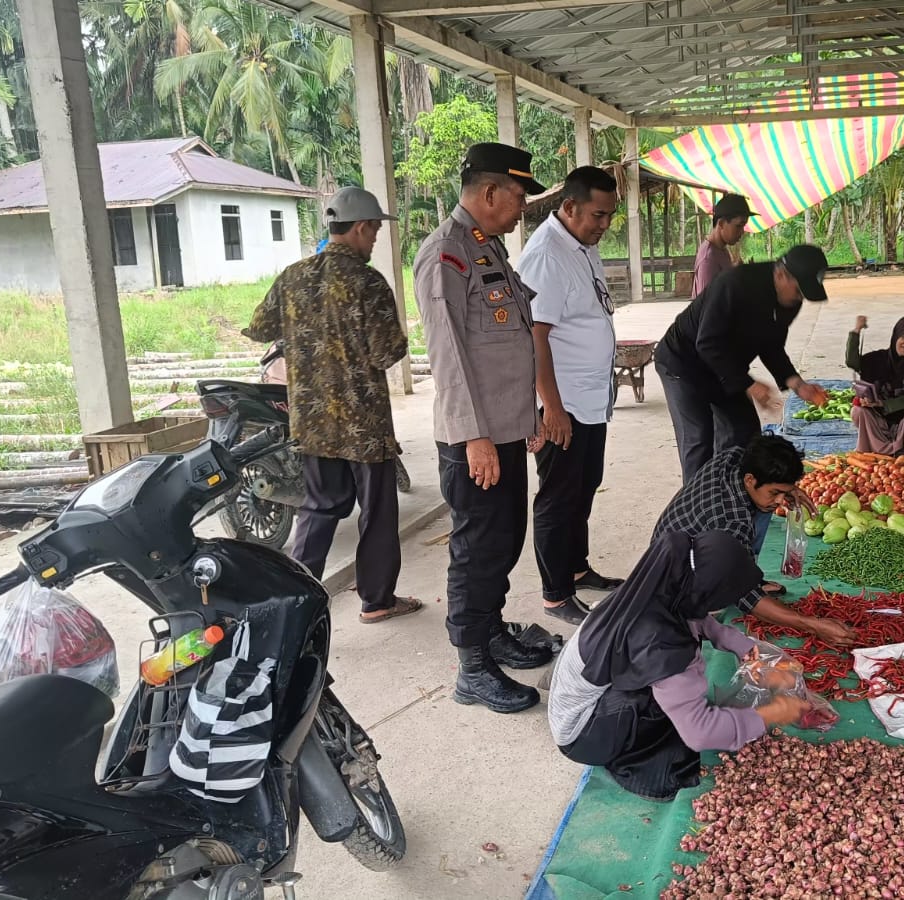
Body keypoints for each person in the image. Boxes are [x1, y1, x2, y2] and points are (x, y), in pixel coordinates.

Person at [413, 142, 553, 715]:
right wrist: (473, 436)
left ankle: (492, 632)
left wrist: (529, 416)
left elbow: (507, 342)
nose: (523, 206)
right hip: (475, 438)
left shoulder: (486, 247)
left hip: (502, 430)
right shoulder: (446, 252)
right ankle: (472, 665)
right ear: (490, 192)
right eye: (519, 195)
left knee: (503, 538)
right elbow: (448, 354)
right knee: (476, 548)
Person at [244, 186, 419, 624]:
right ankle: (377, 601)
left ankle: (291, 604)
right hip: (364, 427)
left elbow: (260, 327)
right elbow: (386, 353)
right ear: (359, 228)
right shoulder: (367, 282)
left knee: (318, 509)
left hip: (313, 423)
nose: (375, 238)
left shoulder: (293, 276)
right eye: (375, 230)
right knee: (376, 513)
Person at [548, 530, 810, 802]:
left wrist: (743, 647)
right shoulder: (660, 643)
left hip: (576, 694)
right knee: (670, 725)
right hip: (581, 733)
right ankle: (637, 764)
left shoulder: (656, 587)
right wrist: (772, 714)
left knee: (675, 690)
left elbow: (698, 619)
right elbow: (700, 733)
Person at [517, 166, 625, 626]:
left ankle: (577, 568)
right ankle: (555, 593)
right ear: (569, 207)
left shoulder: (581, 244)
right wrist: (552, 409)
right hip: (563, 403)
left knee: (583, 487)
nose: (604, 225)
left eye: (609, 217)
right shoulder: (546, 254)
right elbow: (535, 335)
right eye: (597, 216)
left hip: (589, 397)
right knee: (558, 498)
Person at [653, 435, 856, 646]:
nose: (780, 501)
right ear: (750, 480)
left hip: (671, 540)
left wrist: (788, 489)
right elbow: (746, 596)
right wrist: (812, 624)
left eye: (783, 492)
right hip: (674, 576)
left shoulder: (734, 458)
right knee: (734, 578)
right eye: (775, 492)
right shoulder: (731, 521)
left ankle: (748, 574)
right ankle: (706, 603)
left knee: (760, 509)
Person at [656, 244, 832, 479]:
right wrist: (748, 384)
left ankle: (732, 490)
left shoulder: (790, 301)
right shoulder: (734, 284)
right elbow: (707, 343)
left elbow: (772, 346)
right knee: (699, 439)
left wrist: (798, 384)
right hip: (684, 363)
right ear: (780, 274)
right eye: (799, 291)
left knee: (744, 432)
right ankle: (697, 504)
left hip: (726, 365)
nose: (800, 299)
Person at [846, 315, 904, 456]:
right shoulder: (877, 359)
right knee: (857, 411)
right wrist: (856, 331)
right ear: (896, 335)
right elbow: (852, 362)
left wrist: (884, 404)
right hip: (878, 424)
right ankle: (874, 447)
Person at [692, 194, 756, 297]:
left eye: (743, 226)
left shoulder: (721, 250)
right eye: (738, 226)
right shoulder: (708, 260)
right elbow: (708, 308)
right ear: (721, 223)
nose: (742, 232)